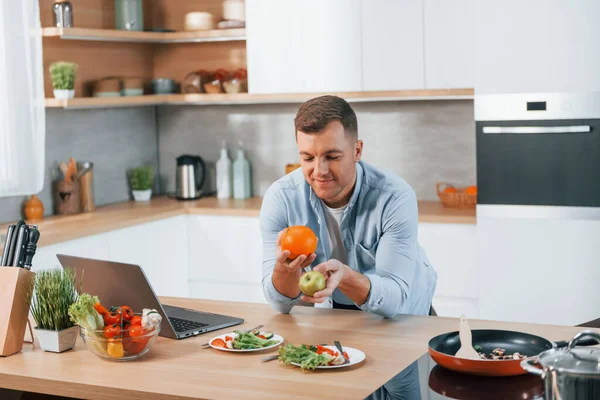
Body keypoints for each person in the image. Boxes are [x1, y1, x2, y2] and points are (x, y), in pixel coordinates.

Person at [260, 95, 437, 318]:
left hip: (405, 319)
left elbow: (395, 299)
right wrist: (284, 271)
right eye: (307, 158)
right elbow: (280, 305)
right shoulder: (281, 198)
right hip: (334, 318)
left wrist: (345, 276)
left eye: (332, 156)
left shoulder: (394, 197)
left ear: (357, 151)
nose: (319, 171)